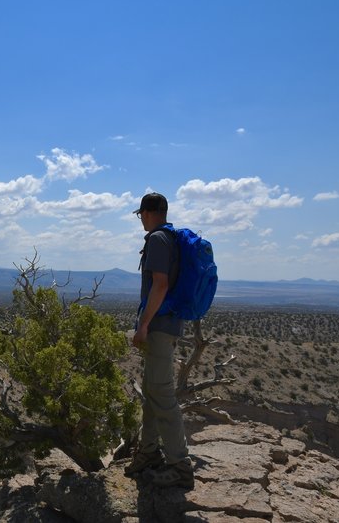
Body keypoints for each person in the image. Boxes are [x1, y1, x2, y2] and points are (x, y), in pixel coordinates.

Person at [125, 192, 194, 489]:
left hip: (159, 327)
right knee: (152, 392)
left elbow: (160, 284)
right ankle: (149, 453)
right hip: (167, 325)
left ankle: (180, 465)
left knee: (162, 396)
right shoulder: (170, 239)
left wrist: (143, 325)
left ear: (149, 212)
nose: (140, 218)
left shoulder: (156, 239)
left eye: (141, 213)